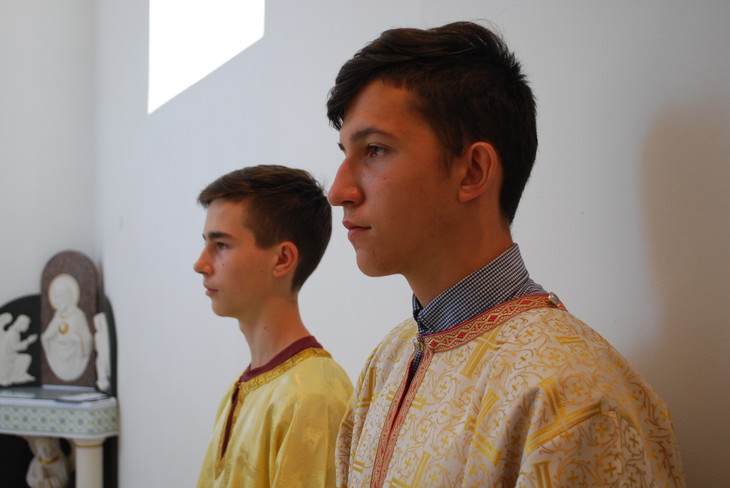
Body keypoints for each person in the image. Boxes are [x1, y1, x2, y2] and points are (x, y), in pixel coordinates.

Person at [326, 21, 684, 487]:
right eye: (345, 152)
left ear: (473, 171)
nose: (338, 191)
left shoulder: (570, 394)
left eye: (375, 149)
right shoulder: (387, 362)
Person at [194, 165, 353, 487]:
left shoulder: (314, 397)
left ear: (282, 259)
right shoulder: (241, 388)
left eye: (221, 244)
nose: (201, 264)